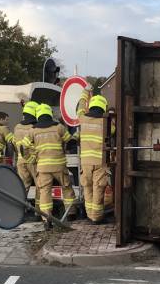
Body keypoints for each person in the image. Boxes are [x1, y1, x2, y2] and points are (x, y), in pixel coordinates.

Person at [20, 103, 76, 227]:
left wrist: (30, 159)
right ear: (49, 114)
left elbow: (22, 147)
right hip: (59, 165)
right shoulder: (59, 127)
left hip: (43, 167)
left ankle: (47, 220)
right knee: (66, 188)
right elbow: (70, 141)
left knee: (45, 192)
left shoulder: (32, 130)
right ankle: (71, 214)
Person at [75, 88, 111, 224]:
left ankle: (90, 215)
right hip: (100, 161)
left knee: (87, 187)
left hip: (85, 162)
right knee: (98, 189)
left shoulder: (82, 118)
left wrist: (85, 93)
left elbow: (79, 107)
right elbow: (113, 131)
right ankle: (96, 217)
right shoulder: (106, 122)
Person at [13, 101, 40, 211]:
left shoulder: (17, 127)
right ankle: (39, 212)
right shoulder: (34, 127)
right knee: (40, 186)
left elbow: (15, 143)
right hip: (33, 161)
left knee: (23, 187)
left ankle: (19, 210)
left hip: (21, 161)